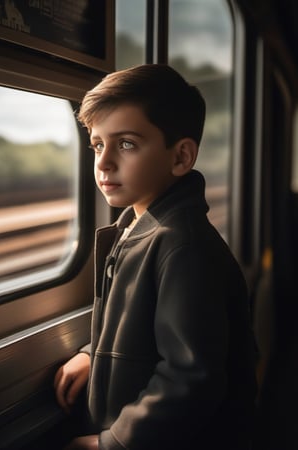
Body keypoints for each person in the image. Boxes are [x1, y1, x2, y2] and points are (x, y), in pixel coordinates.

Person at [54, 64, 257, 450]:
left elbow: (190, 378)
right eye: (98, 144)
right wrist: (91, 354)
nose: (103, 162)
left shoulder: (184, 246)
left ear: (180, 157)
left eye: (126, 143)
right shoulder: (136, 225)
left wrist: (110, 443)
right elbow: (131, 321)